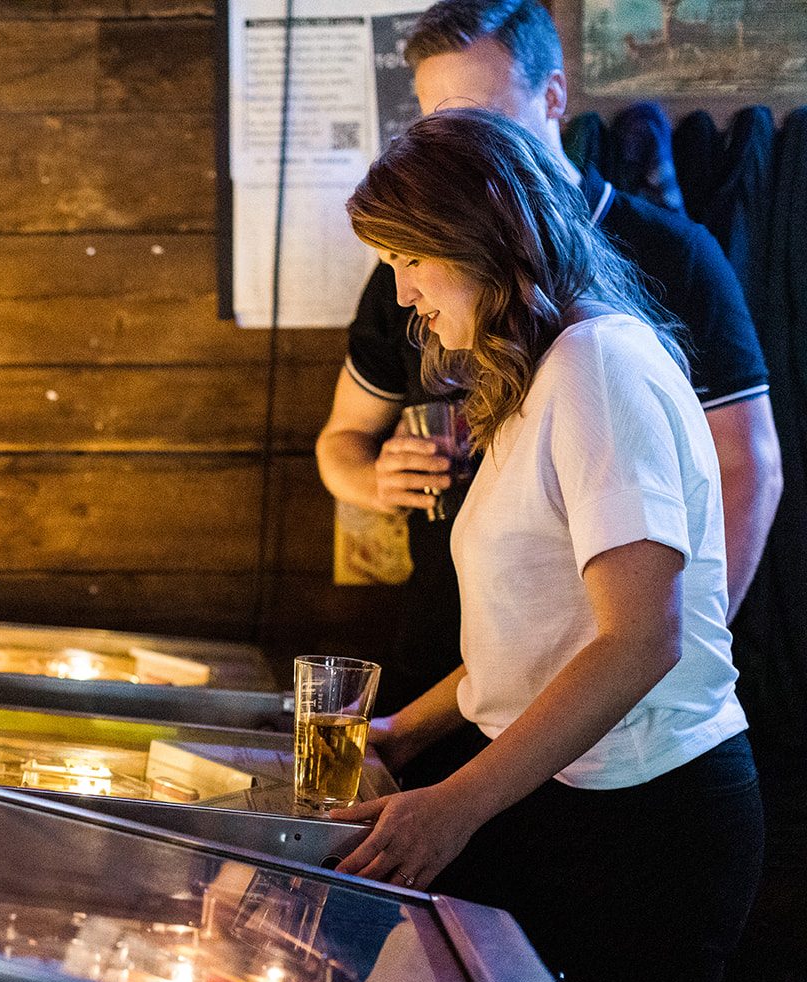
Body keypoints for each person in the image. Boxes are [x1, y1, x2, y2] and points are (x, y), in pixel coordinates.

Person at [330, 107, 762, 982]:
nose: (402, 294)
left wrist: (459, 803)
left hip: (655, 819)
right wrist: (409, 733)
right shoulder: (535, 375)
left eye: (410, 258)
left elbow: (637, 638)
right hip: (573, 801)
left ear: (481, 238)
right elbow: (532, 641)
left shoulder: (600, 363)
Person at [315, 0, 782, 724]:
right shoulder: (411, 279)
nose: (456, 143)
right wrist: (374, 479)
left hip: (601, 694)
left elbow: (746, 467)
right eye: (438, 123)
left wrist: (669, 657)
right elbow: (340, 442)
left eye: (478, 116)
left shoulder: (639, 292)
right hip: (453, 656)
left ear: (554, 97)